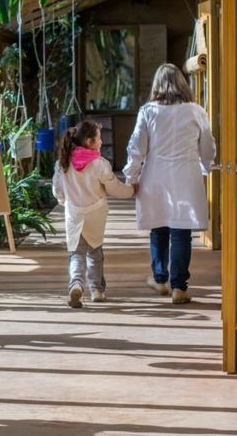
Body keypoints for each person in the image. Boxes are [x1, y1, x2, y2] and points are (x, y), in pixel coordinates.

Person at [123, 63, 216, 304]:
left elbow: (137, 148)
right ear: (183, 84)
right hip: (186, 175)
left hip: (155, 176)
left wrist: (131, 177)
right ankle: (179, 287)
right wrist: (206, 167)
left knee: (159, 228)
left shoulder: (148, 111)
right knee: (181, 231)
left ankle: (160, 279)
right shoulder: (196, 111)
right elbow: (207, 147)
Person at [53, 120, 135, 308]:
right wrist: (131, 190)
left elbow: (57, 189)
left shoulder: (63, 163)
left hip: (74, 215)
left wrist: (63, 201)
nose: (101, 142)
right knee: (95, 253)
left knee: (76, 254)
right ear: (90, 141)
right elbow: (114, 188)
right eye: (99, 138)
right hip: (95, 215)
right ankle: (97, 290)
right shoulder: (100, 164)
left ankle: (76, 284)